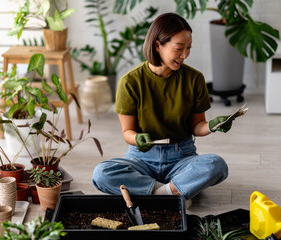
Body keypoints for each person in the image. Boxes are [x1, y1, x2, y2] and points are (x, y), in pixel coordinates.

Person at [92, 12, 232, 206]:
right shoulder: (130, 82)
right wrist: (136, 138)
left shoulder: (194, 79)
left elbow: (197, 126)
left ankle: (156, 192)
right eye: (179, 48)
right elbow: (127, 132)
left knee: (216, 165)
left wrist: (213, 126)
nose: (185, 55)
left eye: (188, 48)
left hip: (181, 156)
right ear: (158, 45)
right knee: (101, 173)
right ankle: (175, 191)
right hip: (141, 158)